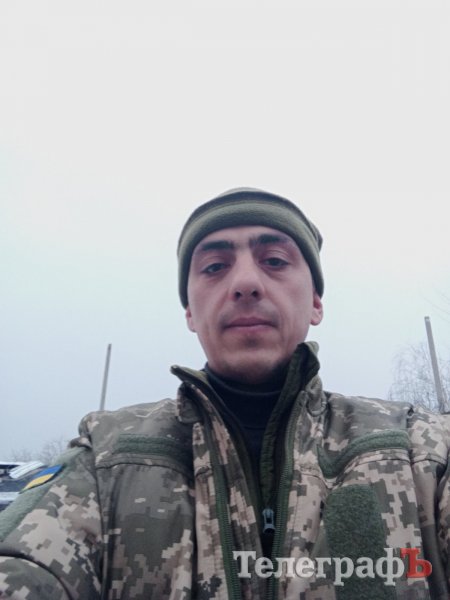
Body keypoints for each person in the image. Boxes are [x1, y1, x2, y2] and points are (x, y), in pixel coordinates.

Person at [0, 188, 449, 600]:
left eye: (275, 260)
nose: (245, 283)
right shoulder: (106, 460)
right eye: (215, 267)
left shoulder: (420, 449)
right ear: (190, 312)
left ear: (315, 301)